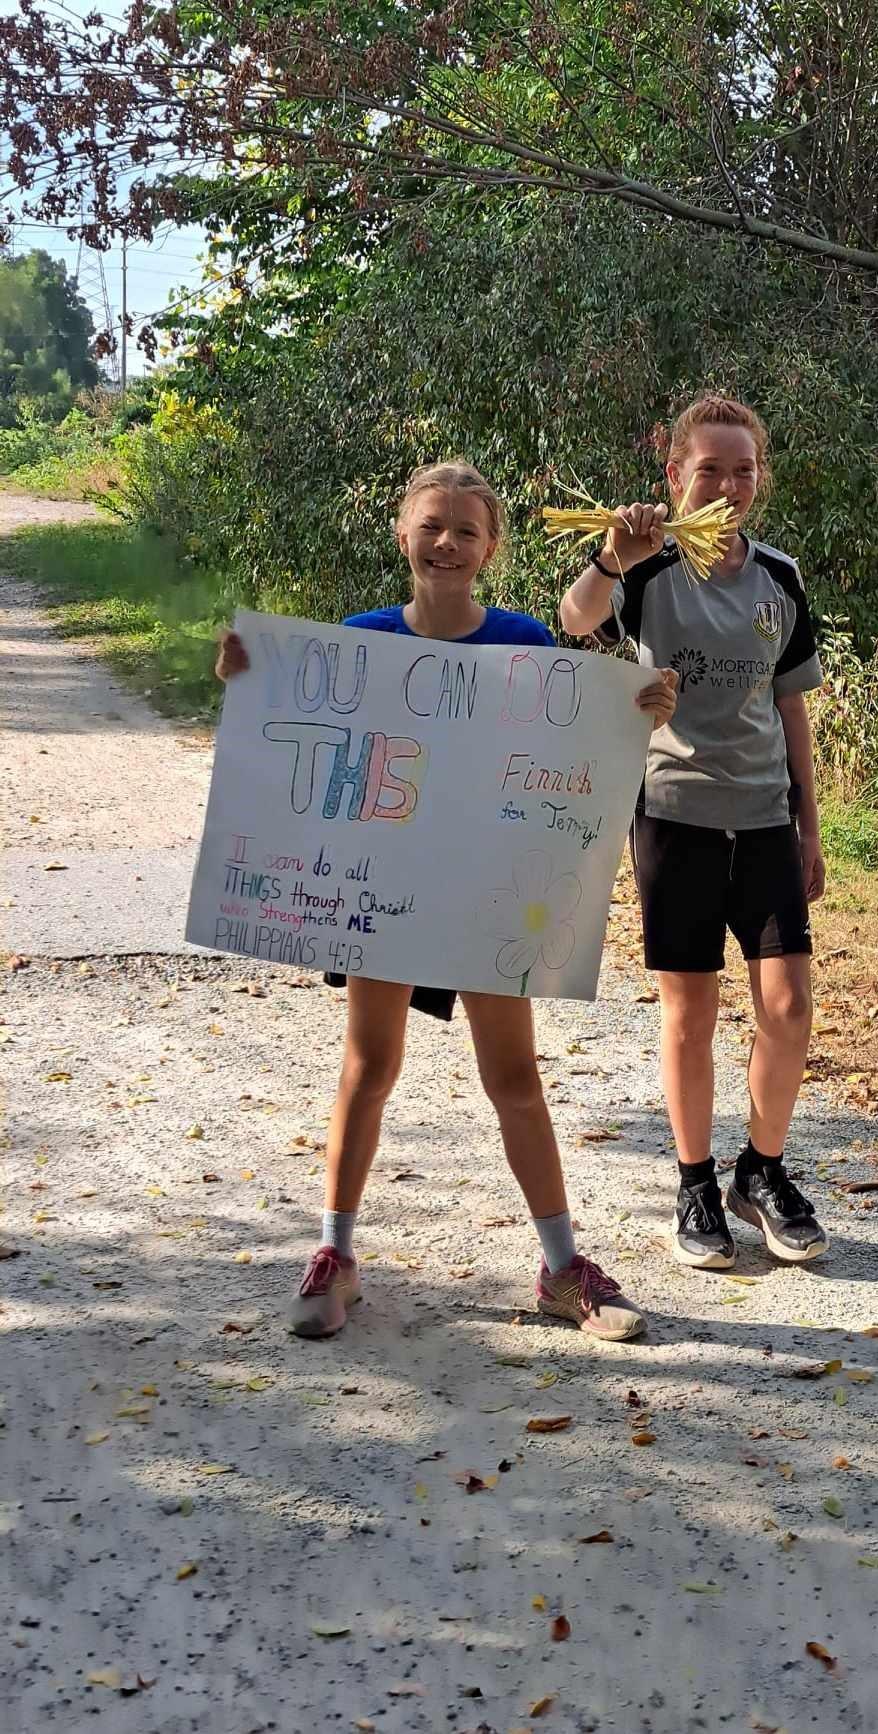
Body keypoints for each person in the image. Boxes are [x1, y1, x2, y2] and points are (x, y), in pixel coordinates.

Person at [215, 459, 678, 1340]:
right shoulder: (357, 642)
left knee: (514, 1077)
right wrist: (247, 674)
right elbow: (292, 730)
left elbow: (573, 749)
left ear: (490, 548)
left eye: (466, 530)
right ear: (402, 533)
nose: (446, 543)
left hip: (485, 895)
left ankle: (561, 1268)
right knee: (368, 1067)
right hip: (383, 892)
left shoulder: (524, 641)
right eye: (431, 525)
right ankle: (335, 1254)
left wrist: (639, 712)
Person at [560, 395, 829, 1272]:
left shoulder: (778, 577)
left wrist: (809, 827)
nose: (726, 484)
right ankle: (694, 1183)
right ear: (674, 475)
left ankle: (761, 1170)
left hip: (764, 819)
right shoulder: (647, 569)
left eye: (742, 469)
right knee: (691, 1013)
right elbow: (574, 618)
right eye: (708, 468)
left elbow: (790, 706)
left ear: (759, 478)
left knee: (787, 1007)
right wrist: (612, 554)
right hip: (673, 813)